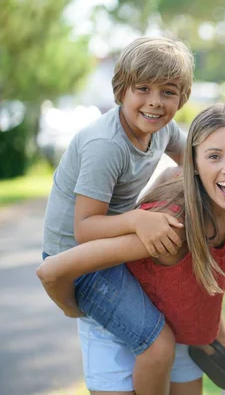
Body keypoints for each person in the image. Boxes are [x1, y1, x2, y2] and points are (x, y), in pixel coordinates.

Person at [37, 102, 225, 394]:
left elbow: (207, 287)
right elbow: (52, 269)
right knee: (158, 348)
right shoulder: (171, 227)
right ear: (193, 163)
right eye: (214, 156)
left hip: (176, 320)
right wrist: (71, 308)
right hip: (118, 325)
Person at [39, 36, 197, 394]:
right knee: (159, 348)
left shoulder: (163, 130)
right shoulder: (105, 145)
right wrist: (138, 220)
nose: (155, 102)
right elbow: (84, 229)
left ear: (182, 98)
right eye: (143, 88)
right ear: (121, 90)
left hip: (110, 246)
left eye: (168, 92)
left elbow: (196, 166)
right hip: (79, 261)